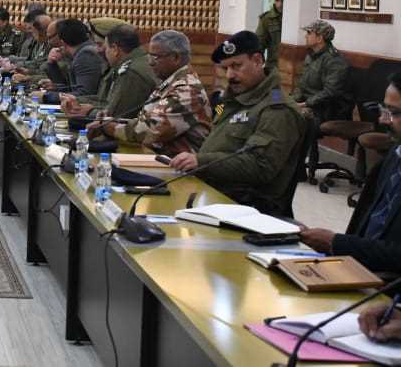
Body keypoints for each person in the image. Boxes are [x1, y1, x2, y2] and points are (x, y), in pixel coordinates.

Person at [169, 30, 305, 218]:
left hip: (245, 209)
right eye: (226, 68)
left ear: (257, 60)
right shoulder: (233, 100)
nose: (230, 75)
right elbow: (217, 134)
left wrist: (201, 161)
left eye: (236, 66)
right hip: (214, 194)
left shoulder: (277, 109)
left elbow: (260, 166)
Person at [299, 72, 401, 273]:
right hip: (360, 269)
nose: (383, 120)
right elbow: (369, 229)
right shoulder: (394, 156)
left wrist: (336, 243)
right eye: (384, 109)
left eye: (394, 112)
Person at [88, 30, 211, 156]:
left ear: (176, 58)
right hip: (155, 157)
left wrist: (107, 127)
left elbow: (149, 131)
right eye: (149, 56)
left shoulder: (186, 90)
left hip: (175, 163)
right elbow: (145, 120)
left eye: (155, 57)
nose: (150, 62)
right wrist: (110, 121)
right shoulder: (170, 82)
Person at [61, 24, 156, 119]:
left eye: (106, 48)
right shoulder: (135, 62)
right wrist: (77, 100)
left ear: (115, 49)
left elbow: (117, 115)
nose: (100, 51)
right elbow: (106, 101)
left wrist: (89, 112)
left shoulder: (130, 72)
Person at [292, 20, 351, 122]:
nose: (305, 36)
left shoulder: (335, 60)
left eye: (309, 33)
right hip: (308, 102)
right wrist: (292, 100)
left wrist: (304, 104)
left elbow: (330, 92)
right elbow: (302, 85)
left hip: (325, 109)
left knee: (289, 116)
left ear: (319, 38)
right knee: (276, 104)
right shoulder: (311, 55)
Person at [42, 18, 105, 96]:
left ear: (63, 43)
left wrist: (47, 96)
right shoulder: (79, 53)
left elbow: (84, 94)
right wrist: (52, 65)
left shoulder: (86, 55)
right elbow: (72, 88)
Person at [256, 0, 284, 68]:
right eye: (277, 0)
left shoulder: (293, 18)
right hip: (272, 66)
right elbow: (259, 43)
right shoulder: (267, 19)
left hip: (289, 66)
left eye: (283, 1)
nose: (279, 5)